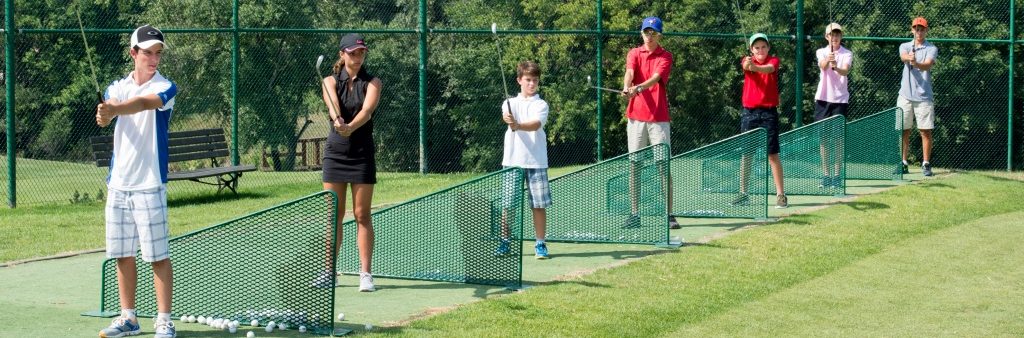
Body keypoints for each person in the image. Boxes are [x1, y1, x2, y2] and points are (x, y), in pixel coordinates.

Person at [95, 24, 178, 338]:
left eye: (158, 53)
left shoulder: (166, 86)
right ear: (134, 53)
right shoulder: (116, 87)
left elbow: (144, 103)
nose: (153, 58)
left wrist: (114, 109)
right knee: (122, 253)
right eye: (147, 53)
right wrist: (106, 114)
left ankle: (164, 321)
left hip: (150, 184)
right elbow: (108, 113)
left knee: (157, 256)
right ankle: (128, 317)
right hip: (118, 184)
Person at [317, 33, 382, 291]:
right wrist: (337, 121)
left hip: (362, 153)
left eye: (361, 53)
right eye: (353, 53)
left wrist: (350, 127)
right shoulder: (329, 80)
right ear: (342, 54)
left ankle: (365, 274)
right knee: (333, 215)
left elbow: (366, 112)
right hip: (336, 153)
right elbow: (332, 106)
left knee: (362, 214)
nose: (358, 57)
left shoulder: (373, 82)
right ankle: (329, 272)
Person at [621, 16, 680, 229]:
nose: (650, 36)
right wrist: (627, 86)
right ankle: (634, 214)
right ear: (642, 33)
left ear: (660, 35)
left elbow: (656, 78)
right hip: (636, 118)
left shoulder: (665, 56)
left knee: (662, 164)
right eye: (647, 32)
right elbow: (629, 72)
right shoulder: (634, 53)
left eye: (654, 32)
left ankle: (669, 214)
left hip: (659, 119)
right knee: (635, 165)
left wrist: (639, 88)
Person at [494, 61, 552, 259]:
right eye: (528, 80)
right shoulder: (509, 103)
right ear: (519, 80)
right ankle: (505, 242)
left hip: (536, 162)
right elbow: (505, 116)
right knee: (508, 204)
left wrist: (518, 125)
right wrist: (509, 120)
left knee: (538, 205)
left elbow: (536, 124)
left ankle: (540, 244)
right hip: (512, 162)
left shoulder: (541, 104)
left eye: (535, 80)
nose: (532, 84)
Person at [734, 33, 787, 209]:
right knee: (746, 154)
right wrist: (749, 65)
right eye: (757, 47)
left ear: (768, 48)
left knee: (772, 154)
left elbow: (769, 69)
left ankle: (780, 195)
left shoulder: (774, 61)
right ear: (751, 49)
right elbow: (746, 66)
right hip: (749, 113)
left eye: (763, 47)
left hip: (769, 113)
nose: (760, 50)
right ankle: (743, 194)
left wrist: (755, 68)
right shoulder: (746, 61)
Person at [897, 17, 938, 176]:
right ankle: (903, 163)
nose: (919, 31)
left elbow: (927, 64)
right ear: (912, 30)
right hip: (905, 96)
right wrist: (909, 58)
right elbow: (903, 56)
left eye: (921, 29)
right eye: (916, 29)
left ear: (926, 31)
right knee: (903, 130)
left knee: (925, 131)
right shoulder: (905, 46)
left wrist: (917, 64)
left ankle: (926, 164)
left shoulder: (931, 48)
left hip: (924, 97)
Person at [814, 23, 852, 188]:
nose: (834, 38)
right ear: (826, 37)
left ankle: (837, 175)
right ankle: (826, 175)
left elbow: (845, 71)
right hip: (823, 100)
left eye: (837, 35)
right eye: (831, 35)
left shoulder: (847, 53)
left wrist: (835, 65)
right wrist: (828, 60)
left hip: (840, 100)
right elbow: (822, 66)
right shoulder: (821, 52)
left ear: (841, 37)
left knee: (838, 139)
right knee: (823, 139)